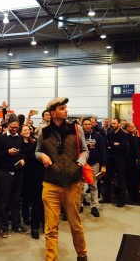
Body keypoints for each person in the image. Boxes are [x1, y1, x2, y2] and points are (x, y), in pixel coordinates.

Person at [35, 97, 88, 261]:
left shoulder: (76, 128)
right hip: (50, 184)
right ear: (53, 113)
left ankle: (82, 254)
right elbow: (37, 151)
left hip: (73, 183)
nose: (66, 110)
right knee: (51, 226)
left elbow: (85, 151)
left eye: (66, 107)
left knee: (75, 224)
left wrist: (79, 163)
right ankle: (51, 258)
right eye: (62, 108)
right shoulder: (43, 132)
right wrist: (42, 155)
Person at [0, 113, 29, 238]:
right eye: (12, 127)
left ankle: (16, 224)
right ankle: (3, 227)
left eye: (16, 127)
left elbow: (23, 153)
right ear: (8, 126)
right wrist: (7, 152)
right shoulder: (2, 139)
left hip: (18, 172)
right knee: (4, 201)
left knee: (16, 200)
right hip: (5, 173)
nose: (14, 130)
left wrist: (23, 159)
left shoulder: (20, 138)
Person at [80, 117, 106, 217]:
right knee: (81, 186)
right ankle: (80, 204)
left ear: (92, 125)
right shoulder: (79, 136)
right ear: (82, 125)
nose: (87, 126)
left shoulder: (97, 135)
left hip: (94, 164)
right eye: (85, 124)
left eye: (89, 124)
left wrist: (103, 165)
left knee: (93, 185)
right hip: (82, 164)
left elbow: (103, 151)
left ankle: (94, 206)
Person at [104, 118, 128, 207]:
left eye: (115, 123)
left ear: (119, 124)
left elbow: (122, 147)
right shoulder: (109, 133)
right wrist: (114, 144)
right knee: (107, 179)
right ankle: (106, 198)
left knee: (120, 179)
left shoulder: (123, 134)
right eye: (112, 123)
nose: (113, 125)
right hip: (109, 159)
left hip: (120, 159)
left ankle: (121, 200)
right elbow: (104, 143)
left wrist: (110, 145)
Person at [124, 122, 140, 202]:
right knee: (129, 179)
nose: (134, 128)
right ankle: (133, 197)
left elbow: (138, 146)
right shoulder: (124, 137)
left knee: (132, 179)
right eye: (133, 127)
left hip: (132, 161)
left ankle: (133, 195)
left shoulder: (132, 136)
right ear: (128, 128)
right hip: (127, 162)